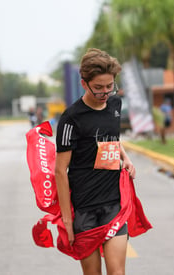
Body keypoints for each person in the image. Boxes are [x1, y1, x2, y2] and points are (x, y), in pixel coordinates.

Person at [55, 48, 136, 275]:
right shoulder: (71, 118)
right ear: (84, 83)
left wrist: (125, 158)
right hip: (84, 209)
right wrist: (67, 221)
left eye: (109, 86)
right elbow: (60, 171)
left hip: (113, 205)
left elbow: (110, 137)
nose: (104, 92)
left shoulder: (115, 105)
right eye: (98, 87)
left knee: (117, 272)